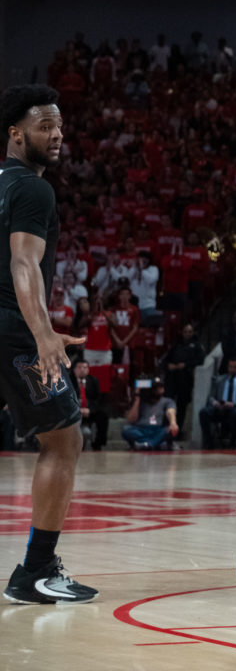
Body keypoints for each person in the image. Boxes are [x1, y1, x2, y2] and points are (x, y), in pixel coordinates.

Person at [0, 85, 97, 605]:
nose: (57, 134)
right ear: (16, 134)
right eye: (44, 127)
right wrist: (41, 333)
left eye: (59, 126)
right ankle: (36, 571)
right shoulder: (34, 190)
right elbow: (23, 263)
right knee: (63, 441)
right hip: (13, 328)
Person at [199, 356, 236, 448]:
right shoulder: (220, 379)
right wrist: (215, 403)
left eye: (235, 367)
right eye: (230, 367)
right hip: (221, 408)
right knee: (204, 412)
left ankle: (232, 441)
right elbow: (211, 397)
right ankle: (209, 442)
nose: (232, 369)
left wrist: (234, 404)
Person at [121, 376, 178, 449]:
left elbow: (170, 411)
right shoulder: (141, 401)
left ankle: (147, 444)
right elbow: (131, 420)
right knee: (126, 429)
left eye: (161, 387)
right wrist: (137, 397)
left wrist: (173, 423)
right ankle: (155, 443)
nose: (159, 389)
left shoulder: (167, 401)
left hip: (158, 430)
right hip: (141, 430)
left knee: (169, 430)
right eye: (156, 388)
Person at [71, 359, 108, 451]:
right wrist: (77, 410)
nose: (82, 370)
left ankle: (97, 444)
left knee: (103, 416)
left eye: (85, 367)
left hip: (89, 411)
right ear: (74, 369)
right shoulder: (69, 381)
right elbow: (66, 399)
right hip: (73, 411)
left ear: (88, 370)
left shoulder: (93, 380)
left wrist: (90, 409)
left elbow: (97, 400)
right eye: (79, 367)